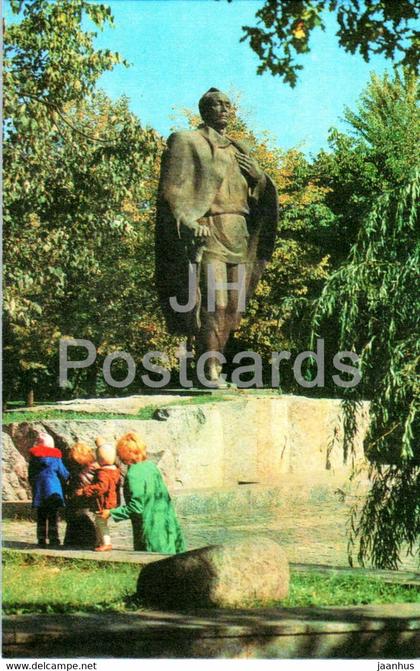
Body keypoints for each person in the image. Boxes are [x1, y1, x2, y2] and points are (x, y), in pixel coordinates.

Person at [155, 88, 278, 386]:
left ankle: (214, 365)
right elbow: (171, 191)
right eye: (216, 105)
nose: (223, 109)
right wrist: (187, 220)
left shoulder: (241, 149)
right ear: (203, 110)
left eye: (227, 105)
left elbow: (262, 196)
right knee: (215, 301)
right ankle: (208, 369)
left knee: (234, 306)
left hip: (239, 231)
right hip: (209, 228)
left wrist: (260, 178)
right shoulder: (186, 140)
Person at [99, 431, 186, 554]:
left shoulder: (134, 473)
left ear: (124, 454)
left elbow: (136, 507)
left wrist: (112, 513)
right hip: (168, 524)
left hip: (151, 530)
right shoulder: (151, 466)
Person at [75, 441, 121, 552]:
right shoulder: (116, 471)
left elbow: (101, 487)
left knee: (100, 521)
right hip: (112, 501)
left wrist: (85, 490)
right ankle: (99, 541)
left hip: (103, 502)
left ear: (100, 460)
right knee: (100, 521)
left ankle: (106, 543)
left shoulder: (103, 472)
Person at [28, 431, 69, 548]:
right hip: (53, 490)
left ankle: (41, 540)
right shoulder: (55, 458)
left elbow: (30, 475)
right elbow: (63, 473)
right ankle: (54, 539)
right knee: (52, 516)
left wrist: (34, 484)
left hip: (39, 491)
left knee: (41, 516)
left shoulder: (34, 458)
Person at [63, 441, 99, 549]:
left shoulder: (88, 469)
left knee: (82, 524)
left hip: (82, 503)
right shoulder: (92, 467)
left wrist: (82, 491)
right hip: (80, 503)